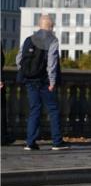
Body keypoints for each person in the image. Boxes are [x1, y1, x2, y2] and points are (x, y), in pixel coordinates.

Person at [16, 14, 66, 151]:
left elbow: (19, 58)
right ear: (51, 27)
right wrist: (52, 81)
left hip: (30, 80)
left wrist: (26, 72)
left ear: (39, 25)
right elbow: (52, 63)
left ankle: (30, 142)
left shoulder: (29, 39)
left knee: (34, 110)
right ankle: (57, 142)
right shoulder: (52, 40)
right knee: (53, 110)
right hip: (44, 81)